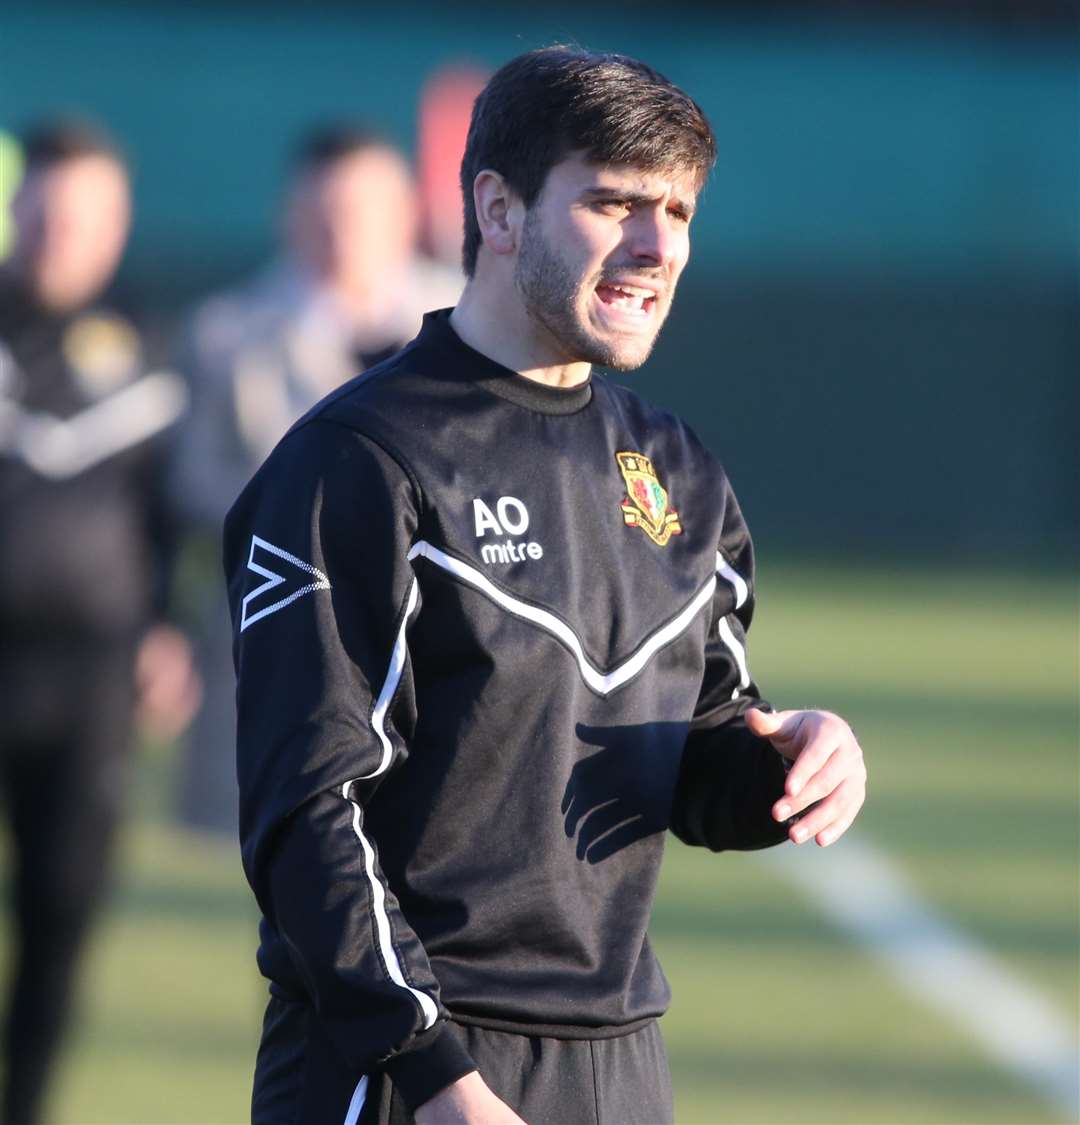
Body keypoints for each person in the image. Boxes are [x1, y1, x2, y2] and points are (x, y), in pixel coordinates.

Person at [224, 48, 868, 1125]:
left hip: (619, 1065)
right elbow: (304, 816)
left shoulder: (678, 472)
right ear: (500, 208)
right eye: (613, 203)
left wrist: (789, 755)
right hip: (397, 1072)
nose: (657, 246)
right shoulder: (358, 463)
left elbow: (696, 747)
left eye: (678, 210)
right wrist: (436, 1079)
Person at [172, 125, 462, 834]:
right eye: (322, 212)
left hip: (449, 645)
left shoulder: (471, 323)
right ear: (290, 217)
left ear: (404, 213)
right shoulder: (228, 334)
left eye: (361, 211)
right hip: (289, 639)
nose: (342, 233)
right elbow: (192, 482)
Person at [0, 120, 197, 1125]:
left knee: (59, 923)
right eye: (44, 207)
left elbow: (168, 523)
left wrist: (168, 631)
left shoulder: (154, 349)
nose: (60, 232)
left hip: (88, 688)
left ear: (117, 224)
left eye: (85, 214)